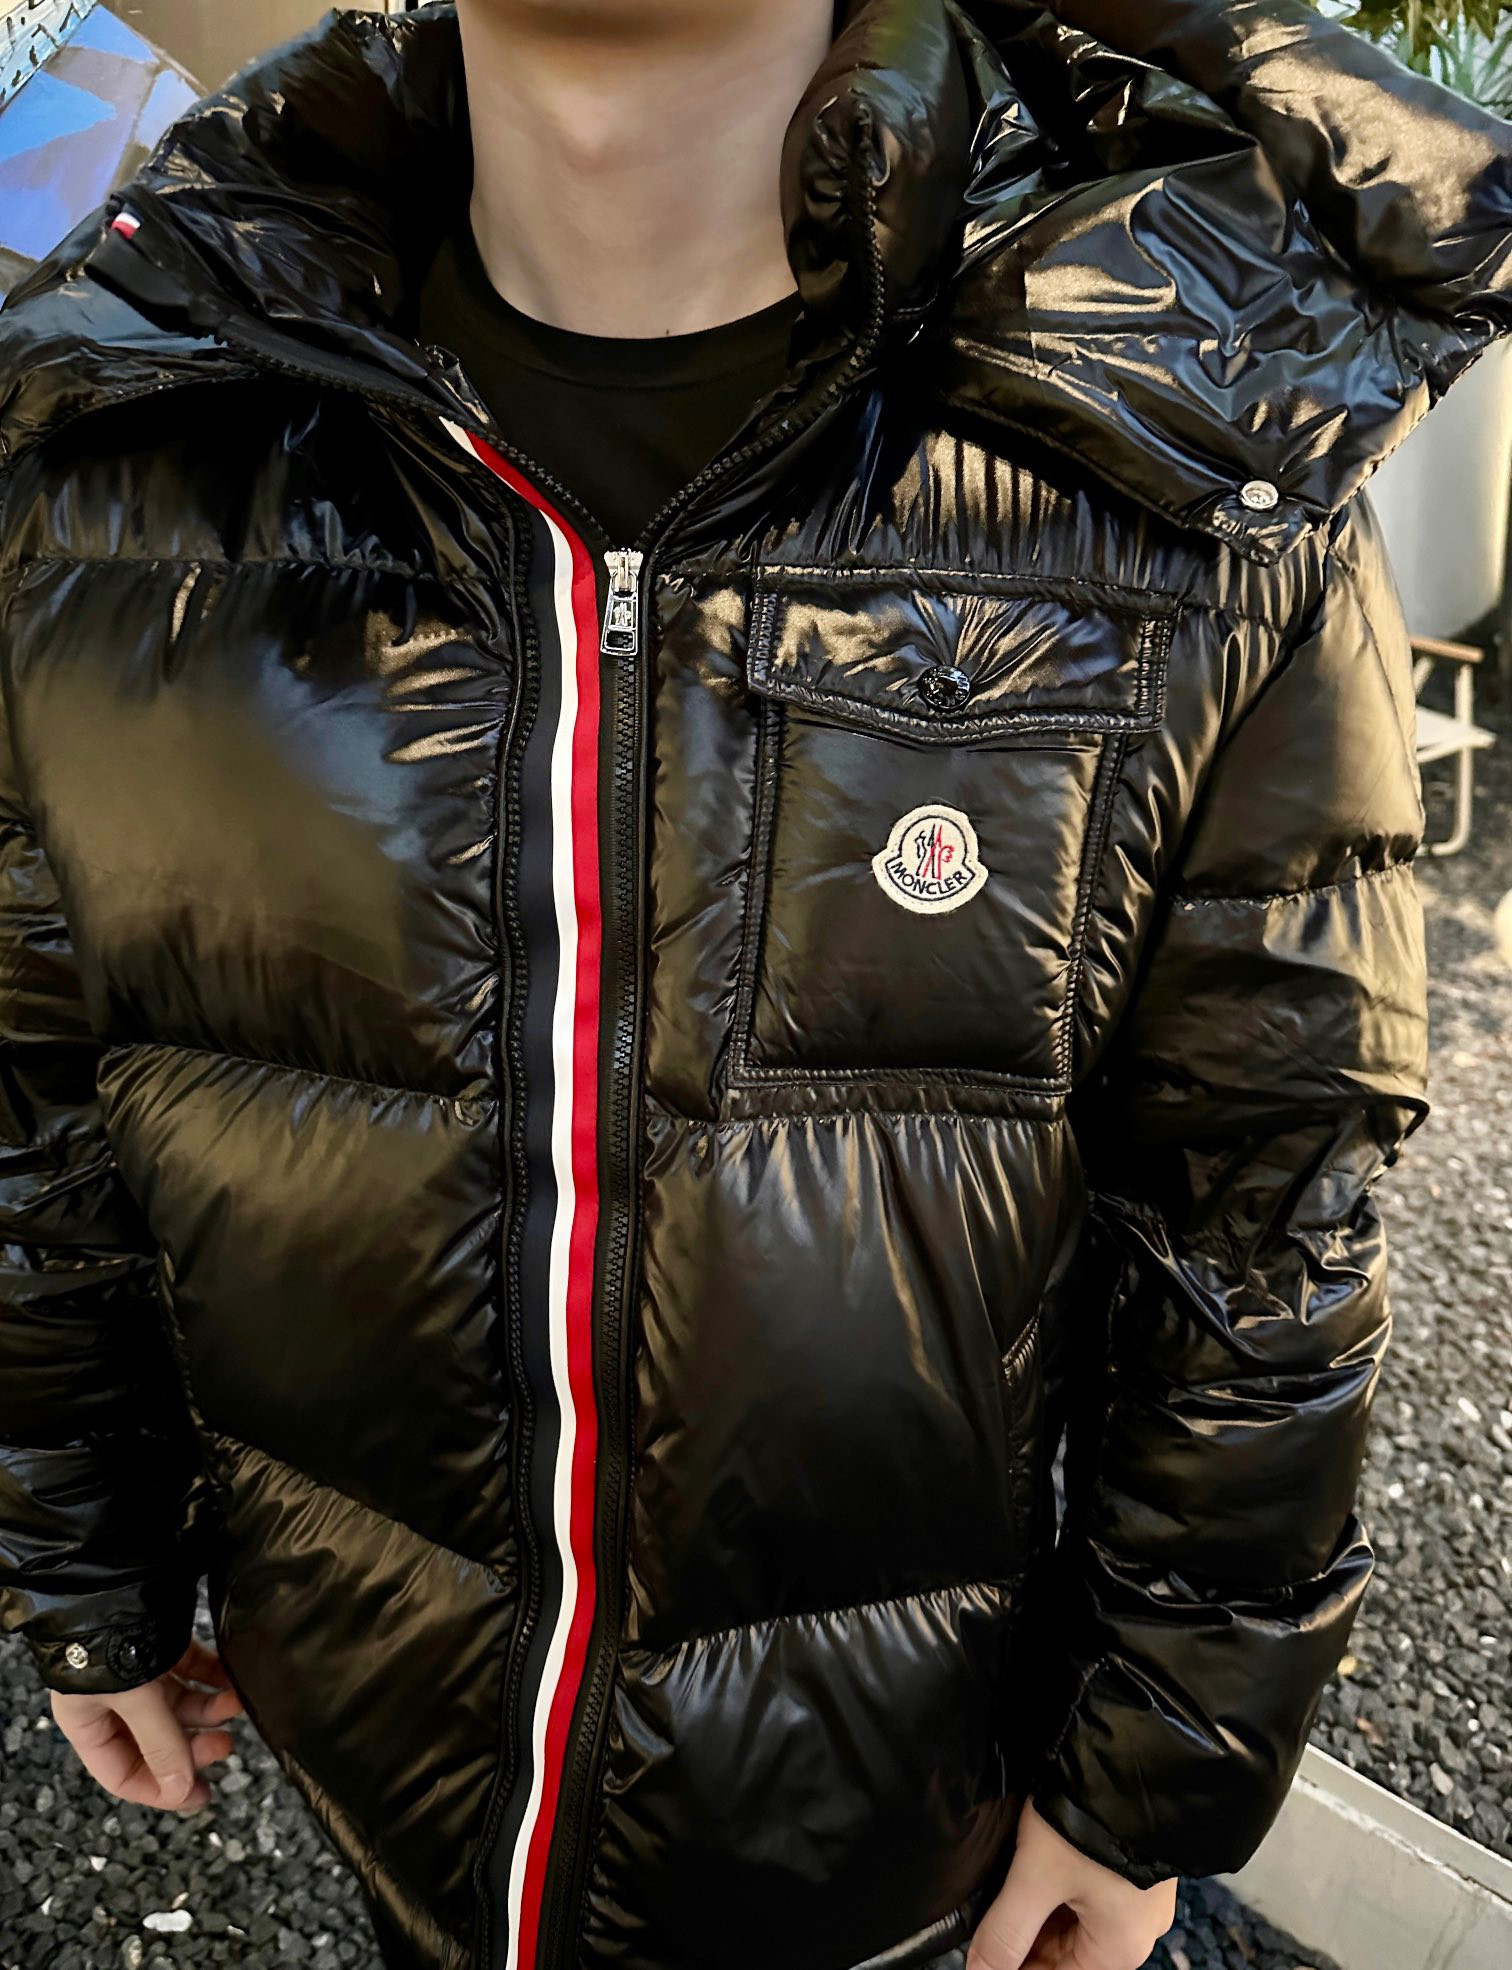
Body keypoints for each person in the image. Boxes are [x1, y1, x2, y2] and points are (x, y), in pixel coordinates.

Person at [0, 1, 1500, 1966]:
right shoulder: (118, 442)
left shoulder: (1186, 426)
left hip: (906, 1848)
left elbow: (1263, 1212)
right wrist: (85, 1560)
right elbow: (42, 1094)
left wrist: (1154, 1768)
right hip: (392, 1783)